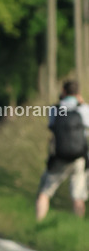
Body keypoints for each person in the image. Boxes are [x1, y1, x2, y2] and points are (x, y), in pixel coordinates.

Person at [36, 79, 89, 220]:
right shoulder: (83, 109)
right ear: (78, 93)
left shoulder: (55, 109)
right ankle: (78, 225)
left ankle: (38, 221)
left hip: (59, 157)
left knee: (44, 192)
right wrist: (82, 103)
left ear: (63, 91)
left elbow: (51, 127)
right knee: (78, 196)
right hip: (79, 157)